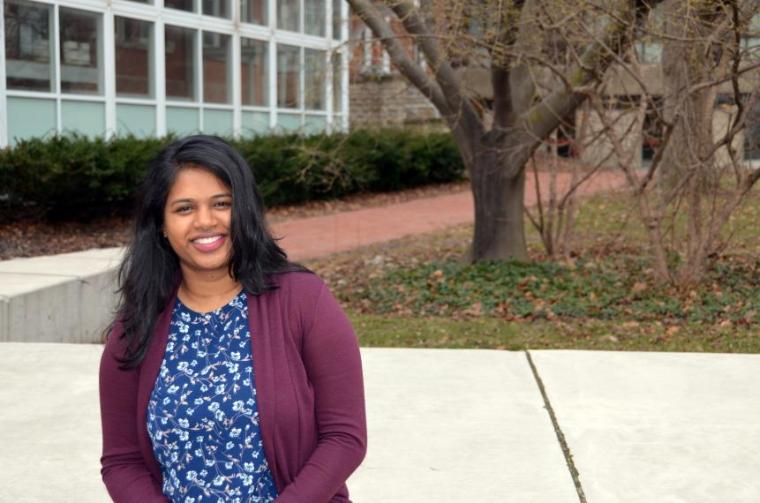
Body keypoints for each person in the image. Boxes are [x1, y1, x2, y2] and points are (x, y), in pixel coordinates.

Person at [99, 134, 367, 503]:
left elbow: (344, 437)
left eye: (221, 203)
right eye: (184, 209)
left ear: (244, 210)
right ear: (160, 223)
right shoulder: (137, 324)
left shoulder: (303, 300)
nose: (205, 222)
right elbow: (122, 460)